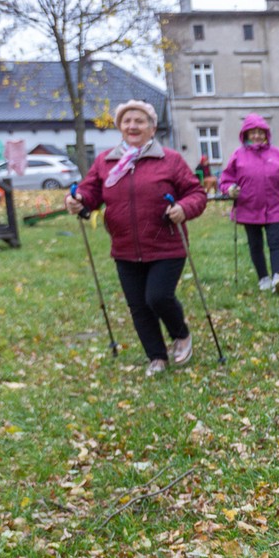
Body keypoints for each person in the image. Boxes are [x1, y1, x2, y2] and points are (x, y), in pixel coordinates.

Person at [65, 100, 207, 376]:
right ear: (119, 127)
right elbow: (90, 192)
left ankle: (181, 335)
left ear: (152, 128)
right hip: (125, 247)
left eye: (139, 121)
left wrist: (183, 208)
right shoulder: (106, 161)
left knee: (157, 297)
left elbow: (196, 194)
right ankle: (156, 357)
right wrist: (78, 199)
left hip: (166, 243)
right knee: (138, 306)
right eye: (127, 121)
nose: (133, 126)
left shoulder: (169, 159)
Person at [218, 114, 279, 292]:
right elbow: (225, 180)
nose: (256, 136)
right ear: (246, 134)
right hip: (248, 207)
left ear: (266, 134)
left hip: (276, 207)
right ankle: (263, 277)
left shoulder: (278, 154)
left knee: (276, 242)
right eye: (252, 132)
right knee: (255, 245)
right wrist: (230, 189)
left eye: (260, 132)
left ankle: (278, 277)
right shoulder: (238, 156)